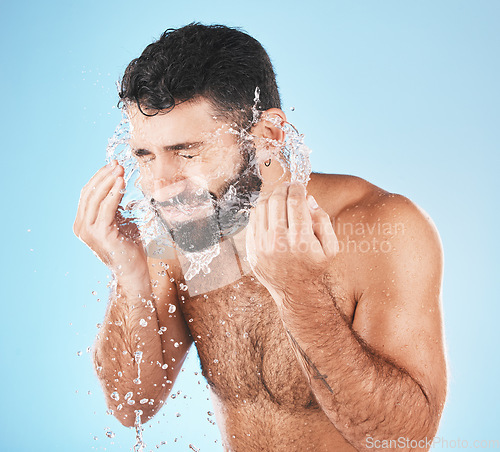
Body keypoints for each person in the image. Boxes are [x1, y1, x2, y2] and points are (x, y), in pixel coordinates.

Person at [73, 23, 448, 451]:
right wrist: (130, 273)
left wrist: (299, 294)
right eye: (145, 156)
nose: (161, 185)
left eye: (187, 152)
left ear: (267, 136)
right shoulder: (188, 228)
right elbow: (132, 405)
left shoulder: (379, 226)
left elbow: (402, 440)